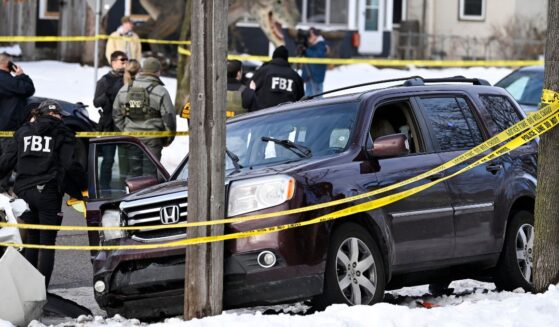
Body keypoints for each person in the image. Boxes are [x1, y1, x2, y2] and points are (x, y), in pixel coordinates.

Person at [0, 100, 77, 288]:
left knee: (32, 242)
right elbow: (70, 166)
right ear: (56, 115)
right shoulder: (62, 132)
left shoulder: (23, 131)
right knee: (46, 244)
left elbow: (6, 161)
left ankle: (28, 290)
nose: (61, 118)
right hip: (48, 192)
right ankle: (41, 293)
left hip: (25, 192)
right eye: (60, 115)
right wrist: (81, 190)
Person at [113, 57, 176, 176]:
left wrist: (124, 132)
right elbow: (169, 118)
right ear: (158, 72)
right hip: (153, 140)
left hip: (131, 139)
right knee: (150, 176)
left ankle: (134, 195)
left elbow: (116, 114)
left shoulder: (125, 89)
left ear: (142, 70)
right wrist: (167, 138)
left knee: (133, 175)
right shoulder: (161, 91)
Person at [0, 52, 35, 193]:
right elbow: (28, 89)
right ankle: (1, 191)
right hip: (7, 129)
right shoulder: (8, 81)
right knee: (6, 161)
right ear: (9, 65)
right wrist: (21, 75)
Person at [94, 51, 127, 193]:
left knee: (127, 162)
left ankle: (128, 187)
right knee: (108, 160)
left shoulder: (129, 79)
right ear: (113, 62)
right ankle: (104, 188)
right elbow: (96, 102)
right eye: (122, 61)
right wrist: (107, 94)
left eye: (126, 61)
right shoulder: (104, 80)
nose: (125, 64)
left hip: (125, 124)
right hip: (108, 124)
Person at [242, 45, 304, 111]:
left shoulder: (263, 71)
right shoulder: (295, 76)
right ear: (286, 59)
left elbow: (248, 93)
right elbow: (301, 98)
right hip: (287, 116)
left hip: (263, 116)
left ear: (273, 57)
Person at [301, 27, 328, 98]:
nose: (309, 38)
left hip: (316, 78)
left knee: (317, 99)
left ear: (315, 35)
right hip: (309, 77)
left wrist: (306, 50)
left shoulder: (321, 45)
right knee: (308, 99)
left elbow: (318, 56)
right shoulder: (311, 45)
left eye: (310, 35)